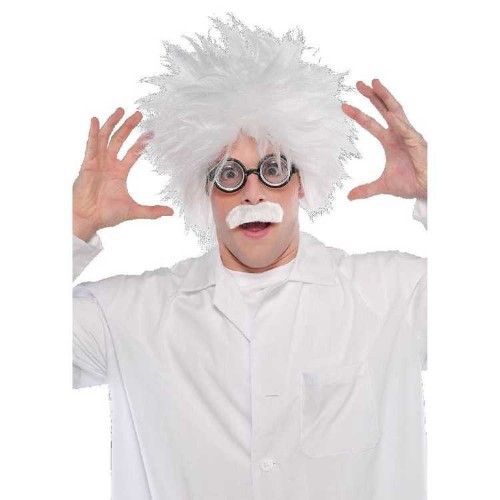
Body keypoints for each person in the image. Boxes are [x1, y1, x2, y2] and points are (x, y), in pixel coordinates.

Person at [73, 14, 427, 500]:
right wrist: (73, 226)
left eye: (274, 169)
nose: (253, 192)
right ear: (204, 190)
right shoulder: (130, 315)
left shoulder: (394, 295)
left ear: (302, 182)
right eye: (228, 174)